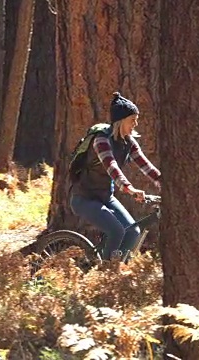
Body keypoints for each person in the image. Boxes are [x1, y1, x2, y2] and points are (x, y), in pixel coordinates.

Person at [69, 92, 161, 260]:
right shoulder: (101, 140)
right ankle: (106, 273)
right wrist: (130, 188)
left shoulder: (129, 142)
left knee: (133, 231)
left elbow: (146, 166)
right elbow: (111, 166)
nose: (136, 124)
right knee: (116, 230)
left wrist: (163, 183)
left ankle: (118, 269)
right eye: (132, 120)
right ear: (121, 121)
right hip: (84, 199)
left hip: (105, 197)